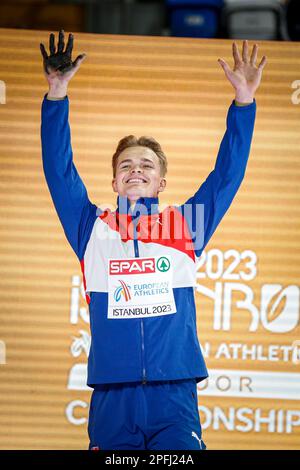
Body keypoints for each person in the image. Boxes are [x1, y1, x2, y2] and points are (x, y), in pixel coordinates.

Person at [40, 30, 266, 450]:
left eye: (147, 165)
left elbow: (226, 176)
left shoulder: (186, 225)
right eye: (126, 165)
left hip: (174, 392)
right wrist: (56, 95)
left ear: (161, 181)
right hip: (112, 393)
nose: (136, 170)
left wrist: (244, 105)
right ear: (114, 180)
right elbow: (59, 172)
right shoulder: (91, 228)